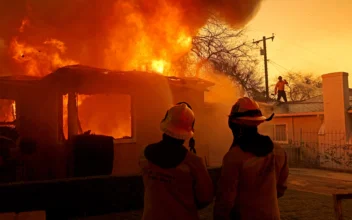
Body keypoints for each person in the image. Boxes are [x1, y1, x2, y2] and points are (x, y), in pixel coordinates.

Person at [213, 97, 289, 220]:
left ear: (237, 124)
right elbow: (281, 188)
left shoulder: (234, 157)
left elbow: (226, 200)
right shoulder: (278, 150)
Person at [139, 102, 214, 220]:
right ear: (189, 130)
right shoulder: (194, 162)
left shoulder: (144, 155)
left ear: (165, 123)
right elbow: (206, 198)